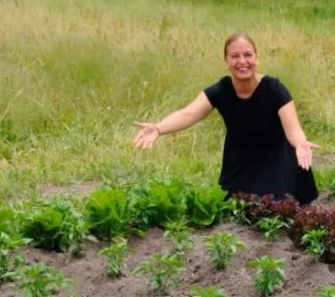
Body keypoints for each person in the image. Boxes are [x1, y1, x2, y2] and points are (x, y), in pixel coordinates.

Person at [132, 33, 320, 205]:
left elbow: (293, 128)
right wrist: (158, 128)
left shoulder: (274, 88)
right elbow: (187, 114)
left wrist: (301, 143)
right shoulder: (220, 90)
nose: (242, 61)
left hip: (276, 160)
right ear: (226, 61)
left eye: (248, 55)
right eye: (235, 56)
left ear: (256, 58)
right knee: (235, 206)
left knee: (273, 206)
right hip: (239, 162)